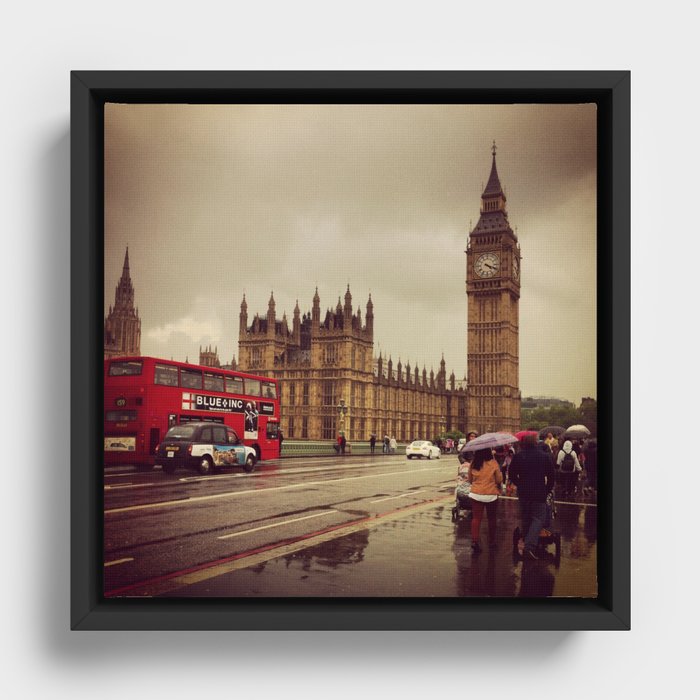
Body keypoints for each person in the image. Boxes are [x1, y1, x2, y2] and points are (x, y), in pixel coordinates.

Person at [509, 433, 555, 561]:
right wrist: (547, 489)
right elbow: (551, 476)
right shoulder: (544, 456)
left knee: (526, 516)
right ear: (536, 442)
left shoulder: (518, 456)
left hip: (524, 492)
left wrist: (519, 484)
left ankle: (525, 538)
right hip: (539, 492)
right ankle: (529, 546)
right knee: (538, 519)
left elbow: (511, 473)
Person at [466, 447, 503, 554]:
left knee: (476, 518)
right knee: (492, 519)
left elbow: (470, 479)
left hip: (476, 493)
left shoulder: (474, 463)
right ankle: (491, 542)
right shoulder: (493, 463)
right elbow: (499, 479)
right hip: (490, 494)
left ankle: (474, 541)